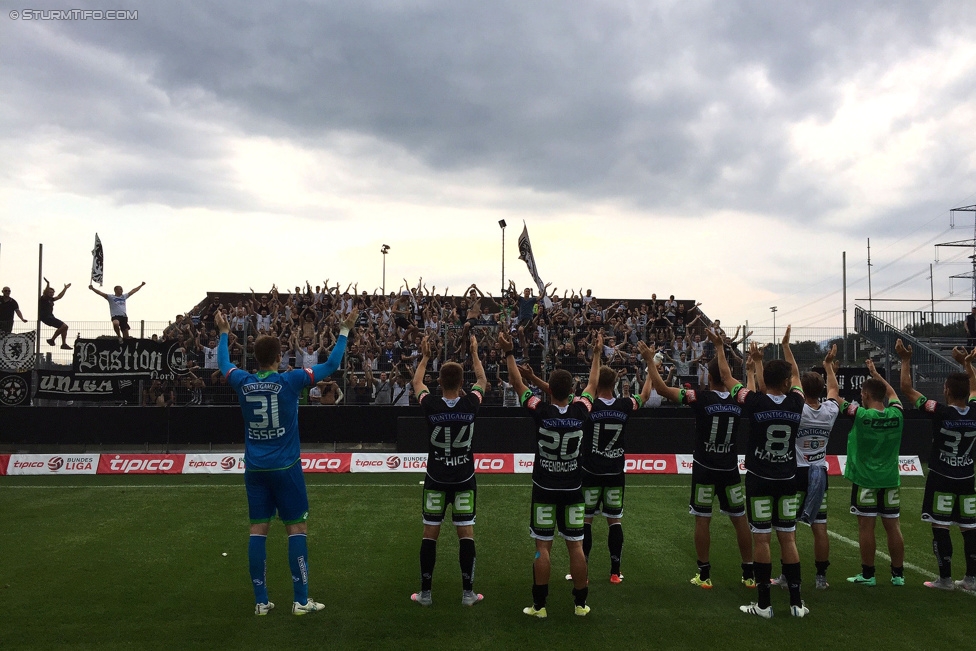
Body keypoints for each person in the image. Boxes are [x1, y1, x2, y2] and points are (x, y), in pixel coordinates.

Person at [215, 306, 357, 616]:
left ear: (256, 358)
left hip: (254, 469)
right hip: (286, 467)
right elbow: (332, 364)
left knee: (258, 530)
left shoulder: (243, 381)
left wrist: (224, 332)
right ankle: (301, 600)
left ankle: (261, 602)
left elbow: (223, 362)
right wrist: (345, 329)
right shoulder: (291, 380)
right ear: (279, 357)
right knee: (297, 528)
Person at [709, 326, 808, 618]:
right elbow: (799, 379)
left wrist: (719, 348)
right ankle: (796, 603)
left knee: (762, 539)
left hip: (759, 480)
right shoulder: (797, 403)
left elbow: (727, 378)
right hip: (787, 478)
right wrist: (786, 348)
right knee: (788, 538)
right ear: (787, 382)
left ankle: (764, 605)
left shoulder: (754, 402)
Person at [498, 329, 596, 618]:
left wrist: (509, 352)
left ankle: (539, 606)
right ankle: (580, 604)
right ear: (571, 391)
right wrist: (598, 353)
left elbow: (517, 384)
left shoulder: (541, 410)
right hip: (573, 489)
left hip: (544, 488)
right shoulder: (581, 411)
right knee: (576, 547)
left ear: (549, 390)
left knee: (543, 547)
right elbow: (592, 383)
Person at [646, 342, 755, 590]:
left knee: (702, 520)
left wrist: (649, 361)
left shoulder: (700, 398)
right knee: (740, 519)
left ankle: (704, 576)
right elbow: (751, 390)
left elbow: (662, 390)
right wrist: (749, 370)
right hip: (729, 469)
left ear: (710, 376)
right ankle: (749, 574)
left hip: (704, 468)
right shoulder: (740, 399)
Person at [566, 333, 654, 584]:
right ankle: (615, 572)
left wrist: (595, 354)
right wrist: (651, 369)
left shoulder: (587, 405)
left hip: (591, 472)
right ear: (615, 382)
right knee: (614, 521)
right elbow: (645, 396)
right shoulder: (625, 405)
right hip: (615, 473)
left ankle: (580, 569)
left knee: (586, 521)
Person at [409, 334, 487, 607]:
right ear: (462, 383)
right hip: (464, 478)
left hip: (436, 477)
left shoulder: (430, 404)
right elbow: (482, 382)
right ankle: (467, 593)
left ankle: (426, 594)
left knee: (430, 534)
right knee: (465, 533)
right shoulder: (471, 404)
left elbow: (417, 383)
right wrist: (475, 353)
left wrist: (426, 356)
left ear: (439, 382)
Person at [896, 339, 976, 591]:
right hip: (967, 477)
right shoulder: (975, 410)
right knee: (969, 527)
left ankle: (945, 579)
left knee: (940, 526)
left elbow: (906, 388)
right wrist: (967, 364)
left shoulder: (939, 411)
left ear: (947, 391)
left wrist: (906, 360)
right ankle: (972, 578)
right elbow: (974, 386)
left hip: (941, 476)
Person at [772, 345, 841, 591]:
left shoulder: (797, 408)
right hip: (819, 473)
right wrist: (829, 366)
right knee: (820, 527)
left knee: (786, 527)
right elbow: (834, 389)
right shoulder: (831, 410)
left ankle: (785, 574)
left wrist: (786, 347)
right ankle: (821, 577)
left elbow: (794, 377)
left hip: (796, 471)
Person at [840, 355, 906, 588]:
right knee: (893, 526)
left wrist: (830, 370)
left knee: (866, 527)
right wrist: (877, 375)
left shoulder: (861, 415)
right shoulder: (897, 414)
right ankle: (898, 574)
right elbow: (893, 395)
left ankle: (868, 574)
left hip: (865, 479)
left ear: (866, 395)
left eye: (861, 394)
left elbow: (833, 398)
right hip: (890, 479)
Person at [38, 279, 72, 349]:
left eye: (52, 292)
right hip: (46, 317)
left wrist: (65, 288)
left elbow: (59, 296)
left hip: (50, 317)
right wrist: (48, 283)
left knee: (64, 328)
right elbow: (45, 292)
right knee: (64, 326)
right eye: (50, 292)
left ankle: (63, 344)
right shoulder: (44, 298)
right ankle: (52, 340)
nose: (51, 294)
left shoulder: (51, 299)